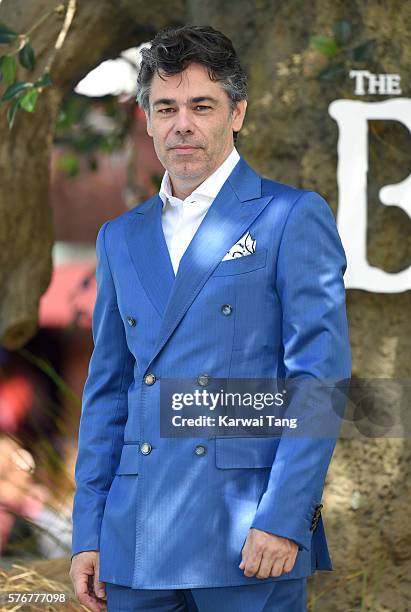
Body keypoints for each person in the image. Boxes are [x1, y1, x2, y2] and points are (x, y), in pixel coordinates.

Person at [69, 25, 351, 612]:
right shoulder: (119, 237)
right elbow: (108, 392)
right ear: (146, 118)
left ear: (237, 113)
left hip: (248, 538)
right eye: (165, 107)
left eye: (202, 106)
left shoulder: (291, 216)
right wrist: (89, 532)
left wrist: (285, 518)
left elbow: (318, 383)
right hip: (135, 537)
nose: (182, 124)